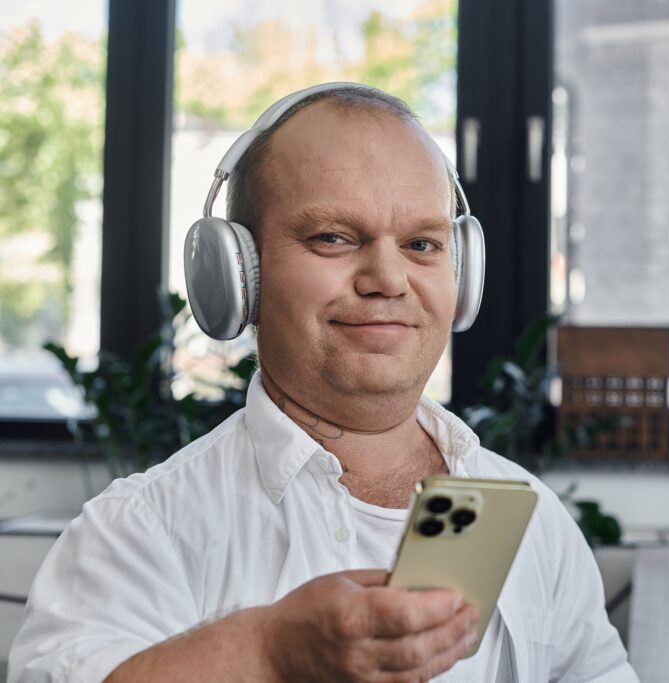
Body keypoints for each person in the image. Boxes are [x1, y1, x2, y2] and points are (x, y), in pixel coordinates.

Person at [9, 84, 637, 683]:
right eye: (333, 237)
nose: (389, 279)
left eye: (421, 243)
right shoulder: (140, 531)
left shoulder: (531, 519)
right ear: (237, 279)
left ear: (461, 278)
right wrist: (268, 660)